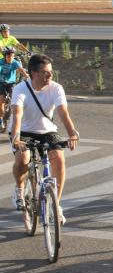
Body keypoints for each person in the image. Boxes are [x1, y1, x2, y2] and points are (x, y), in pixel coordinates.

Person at [10, 54, 79, 225]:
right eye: (45, 73)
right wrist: (16, 138)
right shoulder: (20, 89)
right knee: (23, 159)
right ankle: (19, 189)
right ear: (33, 73)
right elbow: (17, 115)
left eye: (51, 72)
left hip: (47, 130)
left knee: (59, 159)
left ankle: (55, 205)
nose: (49, 76)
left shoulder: (56, 88)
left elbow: (63, 113)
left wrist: (72, 133)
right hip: (23, 131)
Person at [0, 46, 29, 132]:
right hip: (1, 83)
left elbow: (23, 72)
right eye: (9, 56)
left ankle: (13, 116)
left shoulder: (15, 62)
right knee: (1, 102)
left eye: (12, 56)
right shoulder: (1, 62)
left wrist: (30, 79)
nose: (11, 58)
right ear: (5, 56)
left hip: (11, 83)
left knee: (15, 98)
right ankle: (1, 120)